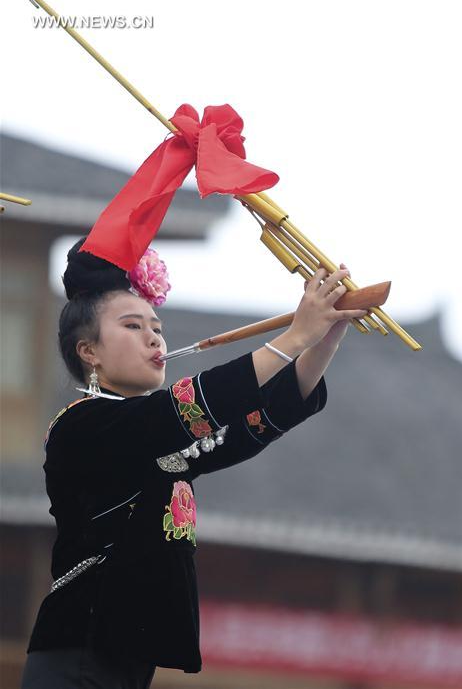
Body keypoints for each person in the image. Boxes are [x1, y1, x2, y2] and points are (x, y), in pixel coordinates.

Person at [21, 239, 367, 688]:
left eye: (156, 328)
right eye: (132, 326)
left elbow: (243, 429)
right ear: (89, 351)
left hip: (121, 656)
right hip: (80, 649)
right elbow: (188, 408)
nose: (153, 338)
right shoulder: (83, 428)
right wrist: (297, 334)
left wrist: (325, 338)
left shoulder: (152, 435)